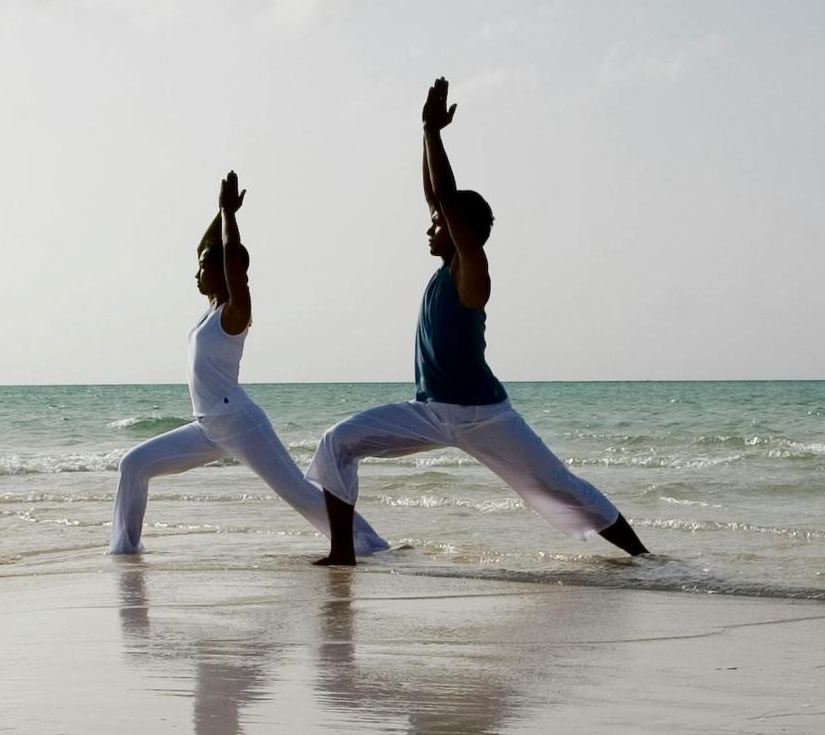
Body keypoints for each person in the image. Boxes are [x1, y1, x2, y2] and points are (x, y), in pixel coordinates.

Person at [313, 80, 647, 565]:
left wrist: (433, 132)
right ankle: (342, 554)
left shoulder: (471, 268)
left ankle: (644, 558)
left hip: (484, 417)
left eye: (438, 222)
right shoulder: (443, 267)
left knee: (561, 486)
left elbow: (445, 196)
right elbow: (437, 195)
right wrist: (426, 135)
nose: (429, 226)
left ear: (458, 229)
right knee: (337, 442)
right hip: (429, 412)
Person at [111, 172, 387, 559]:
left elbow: (232, 261)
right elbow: (204, 248)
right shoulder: (209, 312)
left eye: (204, 266)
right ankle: (123, 552)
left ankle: (371, 543)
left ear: (225, 271)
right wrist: (220, 210)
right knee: (134, 465)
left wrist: (230, 218)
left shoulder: (234, 311)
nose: (195, 272)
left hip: (240, 423)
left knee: (297, 491)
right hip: (206, 426)